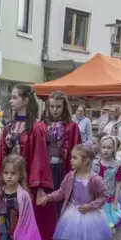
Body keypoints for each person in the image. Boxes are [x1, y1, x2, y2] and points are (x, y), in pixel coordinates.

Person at [0, 84, 57, 240]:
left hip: (26, 183)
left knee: (25, 222)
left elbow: (40, 157)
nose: (11, 101)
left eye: (14, 97)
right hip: (8, 180)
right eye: (11, 97)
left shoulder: (36, 128)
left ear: (25, 100)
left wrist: (38, 187)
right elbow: (1, 154)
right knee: (5, 221)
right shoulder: (8, 126)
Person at [39, 145, 110, 240]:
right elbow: (61, 193)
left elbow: (104, 196)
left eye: (75, 158)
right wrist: (47, 197)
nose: (71, 160)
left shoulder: (95, 179)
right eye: (71, 157)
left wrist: (90, 206)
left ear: (85, 161)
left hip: (88, 214)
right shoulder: (70, 176)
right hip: (72, 213)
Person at [42, 92, 81, 220]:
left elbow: (77, 150)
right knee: (46, 200)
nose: (54, 110)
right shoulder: (41, 125)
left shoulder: (72, 126)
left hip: (62, 168)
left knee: (62, 198)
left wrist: (75, 173)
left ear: (64, 107)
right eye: (51, 106)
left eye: (58, 106)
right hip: (45, 169)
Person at [92, 136, 121, 240]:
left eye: (109, 148)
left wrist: (116, 202)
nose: (106, 150)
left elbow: (118, 184)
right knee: (92, 224)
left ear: (114, 149)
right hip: (93, 200)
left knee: (103, 226)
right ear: (100, 148)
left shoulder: (116, 165)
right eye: (103, 147)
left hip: (107, 202)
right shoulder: (93, 163)